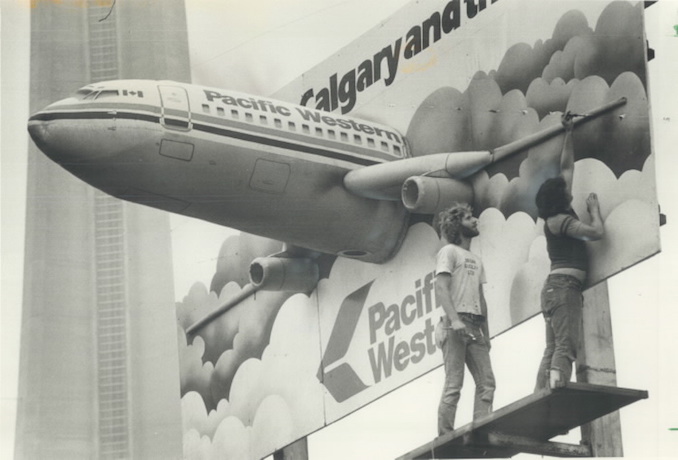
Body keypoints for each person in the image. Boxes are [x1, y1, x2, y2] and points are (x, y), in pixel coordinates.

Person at [534, 112, 604, 390]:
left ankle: (541, 395)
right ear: (560, 199)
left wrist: (569, 134)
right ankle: (556, 391)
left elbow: (567, 168)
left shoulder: (555, 215)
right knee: (566, 345)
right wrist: (595, 211)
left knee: (552, 348)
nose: (569, 189)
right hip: (564, 288)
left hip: (554, 289)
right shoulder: (562, 221)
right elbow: (597, 233)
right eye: (565, 191)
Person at [434, 203, 495, 435]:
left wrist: (486, 333)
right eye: (469, 218)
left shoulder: (477, 259)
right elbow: (441, 288)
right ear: (457, 224)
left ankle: (482, 430)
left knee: (487, 383)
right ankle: (445, 436)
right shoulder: (448, 251)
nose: (475, 220)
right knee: (454, 385)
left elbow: (481, 298)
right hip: (455, 323)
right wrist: (454, 319)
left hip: (476, 325)